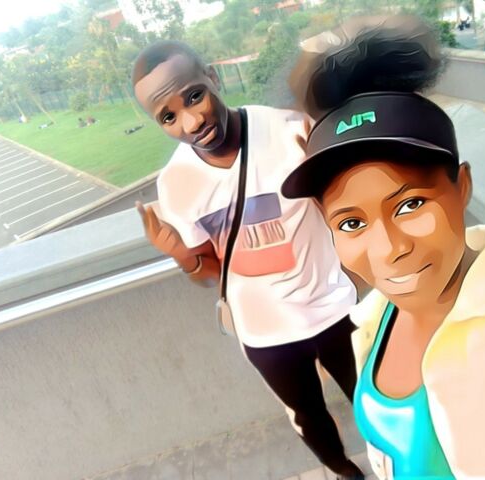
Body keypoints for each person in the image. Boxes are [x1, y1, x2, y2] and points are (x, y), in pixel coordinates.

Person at [281, 15, 485, 479]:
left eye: (410, 204)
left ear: (463, 186)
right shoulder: (375, 320)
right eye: (352, 223)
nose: (388, 249)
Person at [132, 41, 364, 479]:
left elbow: (349, 211)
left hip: (336, 307)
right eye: (168, 116)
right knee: (307, 417)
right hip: (266, 332)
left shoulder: (289, 128)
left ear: (213, 77)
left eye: (194, 96)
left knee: (378, 401)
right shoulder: (177, 184)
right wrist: (182, 255)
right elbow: (210, 272)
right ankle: (345, 473)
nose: (191, 121)